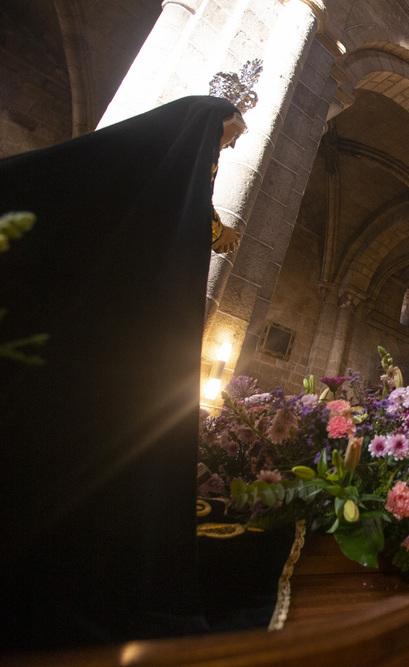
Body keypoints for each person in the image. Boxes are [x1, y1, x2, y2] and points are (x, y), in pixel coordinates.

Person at [0, 95, 244, 650]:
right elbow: (178, 209)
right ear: (210, 123)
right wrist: (212, 229)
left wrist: (210, 227)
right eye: (232, 134)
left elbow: (185, 209)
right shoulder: (167, 157)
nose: (231, 146)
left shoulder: (177, 164)